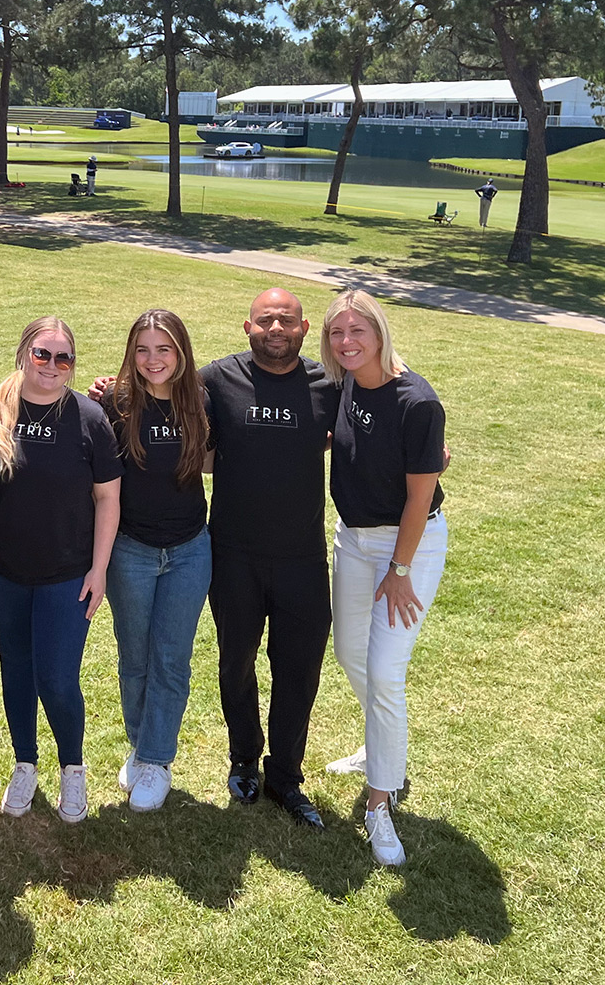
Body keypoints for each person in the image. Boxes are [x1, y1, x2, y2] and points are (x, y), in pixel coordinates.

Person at [201, 289, 339, 829]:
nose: (275, 327)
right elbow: (160, 394)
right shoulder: (217, 378)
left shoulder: (328, 385)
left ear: (305, 330)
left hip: (303, 556)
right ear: (246, 327)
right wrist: (108, 391)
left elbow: (375, 417)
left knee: (298, 670)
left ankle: (285, 773)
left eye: (286, 320)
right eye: (265, 320)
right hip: (233, 552)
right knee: (236, 662)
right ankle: (243, 758)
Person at [0, 318, 122, 824]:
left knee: (57, 679)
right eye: (43, 354)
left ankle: (72, 767)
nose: (53, 367)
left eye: (64, 359)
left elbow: (108, 498)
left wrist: (99, 568)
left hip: (67, 573)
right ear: (23, 353)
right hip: (2, 570)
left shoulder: (89, 418)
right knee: (16, 669)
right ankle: (24, 763)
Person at [321, 289, 449, 868]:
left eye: (358, 332)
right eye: (337, 333)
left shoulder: (416, 400)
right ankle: (380, 750)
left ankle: (380, 800)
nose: (347, 343)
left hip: (408, 545)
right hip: (353, 539)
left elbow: (420, 496)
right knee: (351, 654)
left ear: (379, 332)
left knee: (384, 671)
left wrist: (400, 569)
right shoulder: (346, 381)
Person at [100, 311, 211, 813]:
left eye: (163, 349)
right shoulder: (115, 403)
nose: (153, 360)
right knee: (135, 658)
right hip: (132, 550)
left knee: (171, 658)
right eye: (142, 350)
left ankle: (157, 759)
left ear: (181, 352)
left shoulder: (201, 402)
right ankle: (141, 747)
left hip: (190, 549)